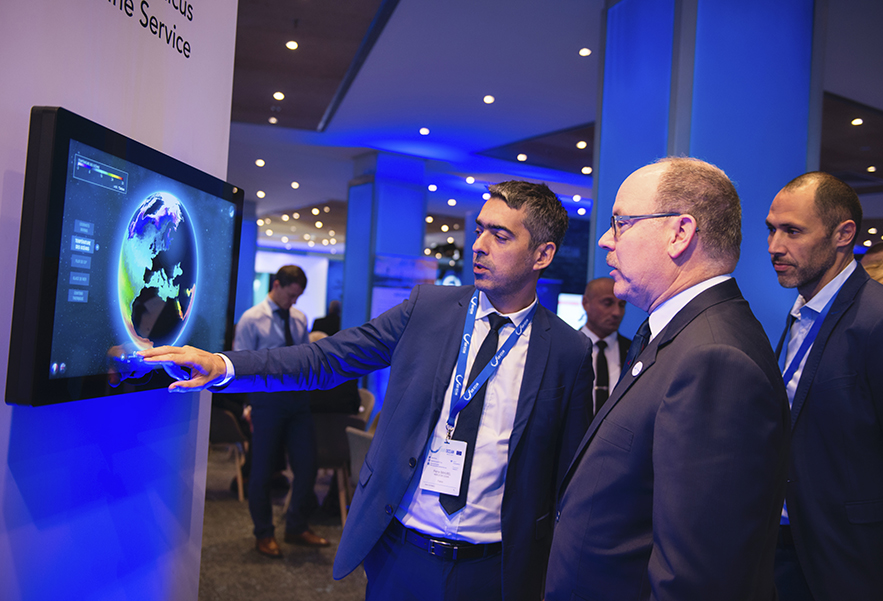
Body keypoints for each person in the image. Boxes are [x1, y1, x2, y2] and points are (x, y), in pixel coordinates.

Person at [140, 181, 593, 601]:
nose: (478, 245)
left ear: (543, 254)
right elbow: (325, 359)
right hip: (401, 553)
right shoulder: (428, 310)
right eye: (479, 230)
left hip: (495, 571)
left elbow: (569, 479)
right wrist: (224, 365)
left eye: (500, 235)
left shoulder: (568, 351)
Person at [545, 157, 790, 600]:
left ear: (680, 233)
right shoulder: (678, 335)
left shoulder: (714, 359)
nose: (605, 240)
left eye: (621, 223)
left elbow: (697, 578)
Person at [766, 171, 883, 600]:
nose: (774, 246)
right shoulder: (800, 312)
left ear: (843, 235)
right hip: (784, 547)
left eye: (792, 231)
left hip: (849, 561)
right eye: (771, 230)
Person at [233, 265, 329, 558]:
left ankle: (296, 526)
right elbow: (241, 364)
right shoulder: (251, 319)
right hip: (266, 402)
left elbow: (303, 360)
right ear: (276, 285)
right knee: (262, 471)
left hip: (298, 401)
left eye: (298, 297)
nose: (294, 302)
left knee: (308, 465)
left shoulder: (300, 318)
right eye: (290, 295)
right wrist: (248, 405)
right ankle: (263, 533)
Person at [579, 277, 630, 415]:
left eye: (622, 305)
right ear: (585, 303)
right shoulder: (565, 348)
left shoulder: (634, 351)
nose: (616, 313)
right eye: (608, 303)